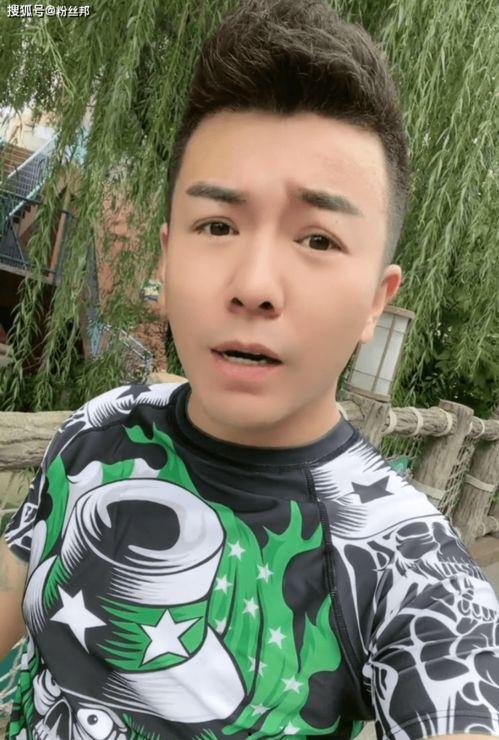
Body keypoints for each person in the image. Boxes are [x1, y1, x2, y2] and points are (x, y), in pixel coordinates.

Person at [1, 0, 498, 738]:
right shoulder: (101, 428)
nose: (254, 285)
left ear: (375, 300)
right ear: (168, 256)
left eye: (318, 240)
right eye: (217, 225)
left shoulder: (409, 568)